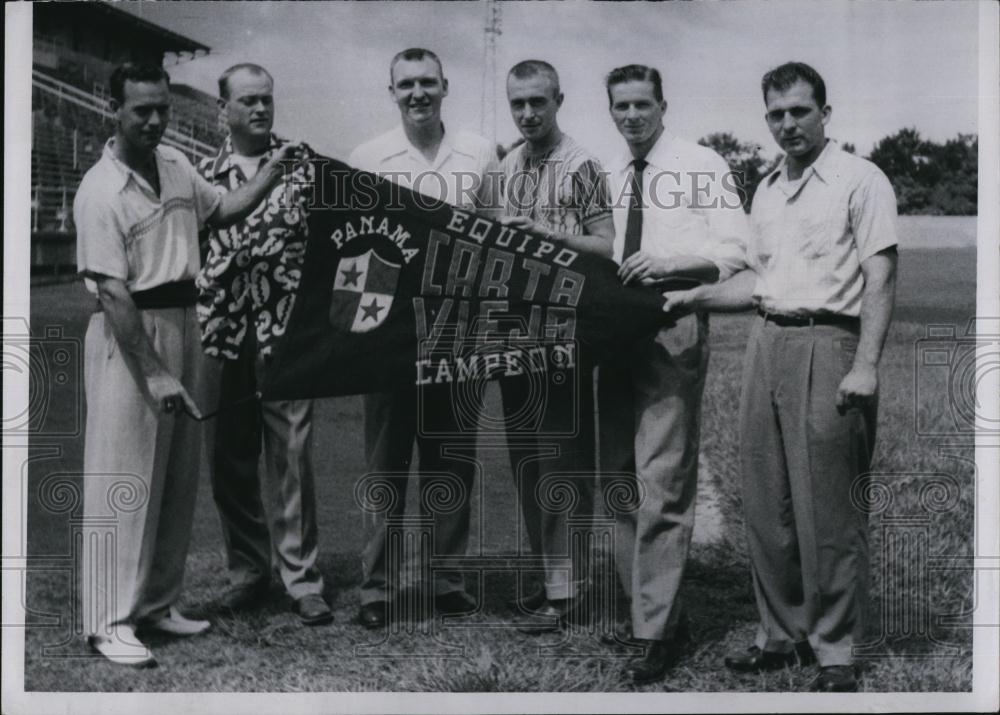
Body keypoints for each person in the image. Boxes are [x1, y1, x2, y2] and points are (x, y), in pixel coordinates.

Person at [662, 61, 898, 693]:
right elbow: (758, 284)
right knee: (766, 502)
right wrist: (692, 297)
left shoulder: (861, 179)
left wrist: (867, 365)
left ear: (825, 112)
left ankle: (835, 650)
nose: (788, 123)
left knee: (827, 508)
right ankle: (780, 636)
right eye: (776, 113)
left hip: (830, 342)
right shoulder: (766, 187)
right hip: (767, 339)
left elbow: (880, 276)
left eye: (799, 110)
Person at [75, 62, 302, 667]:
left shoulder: (175, 165)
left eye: (161, 109)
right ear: (113, 111)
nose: (153, 121)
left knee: (175, 475)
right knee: (123, 477)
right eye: (140, 110)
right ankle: (107, 619)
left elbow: (222, 210)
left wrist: (274, 172)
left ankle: (155, 604)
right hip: (131, 330)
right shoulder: (100, 189)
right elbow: (113, 293)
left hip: (186, 321)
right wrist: (153, 370)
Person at [597, 64, 749, 684]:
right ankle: (649, 609)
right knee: (615, 478)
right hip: (613, 334)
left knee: (661, 477)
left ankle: (655, 630)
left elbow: (736, 251)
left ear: (663, 104)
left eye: (641, 104)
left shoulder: (701, 164)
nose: (631, 115)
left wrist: (669, 264)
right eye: (620, 106)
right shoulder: (611, 174)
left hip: (671, 323)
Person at [348, 48, 496, 629]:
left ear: (445, 86)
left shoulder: (480, 151)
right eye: (406, 84)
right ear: (391, 91)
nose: (418, 93)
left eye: (428, 82)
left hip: (457, 331)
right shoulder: (367, 157)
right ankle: (377, 588)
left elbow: (493, 235)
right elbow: (354, 247)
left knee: (450, 462)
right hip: (389, 335)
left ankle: (445, 579)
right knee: (385, 465)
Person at [195, 64, 330, 626]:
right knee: (229, 457)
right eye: (247, 100)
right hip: (222, 330)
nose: (260, 109)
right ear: (222, 108)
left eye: (266, 99)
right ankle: (248, 571)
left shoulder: (305, 170)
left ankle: (302, 579)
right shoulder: (199, 174)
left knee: (292, 457)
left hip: (285, 329)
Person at [486, 59, 615, 630]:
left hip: (565, 330)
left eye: (538, 101)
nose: (528, 113)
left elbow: (606, 245)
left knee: (561, 457)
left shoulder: (583, 164)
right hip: (516, 332)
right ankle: (549, 577)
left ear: (559, 99)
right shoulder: (506, 164)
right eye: (517, 103)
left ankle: (568, 590)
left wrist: (552, 236)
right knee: (526, 460)